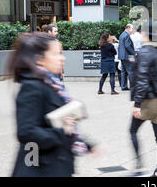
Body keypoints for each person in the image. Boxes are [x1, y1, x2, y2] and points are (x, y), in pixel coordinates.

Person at [9, 32, 97, 177]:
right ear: (40, 59)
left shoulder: (52, 84)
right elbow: (26, 132)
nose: (62, 58)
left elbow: (57, 122)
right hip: (40, 169)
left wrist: (87, 145)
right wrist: (63, 132)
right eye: (56, 54)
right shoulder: (32, 87)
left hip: (53, 165)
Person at [130, 22, 157, 177]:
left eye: (141, 32)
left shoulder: (145, 52)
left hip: (149, 100)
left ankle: (139, 167)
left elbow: (142, 80)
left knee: (132, 130)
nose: (139, 34)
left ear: (145, 33)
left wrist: (137, 104)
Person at [118, 24, 136, 91]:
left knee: (124, 72)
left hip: (122, 56)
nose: (133, 30)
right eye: (132, 28)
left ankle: (123, 86)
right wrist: (134, 53)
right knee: (131, 71)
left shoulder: (122, 35)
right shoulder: (126, 35)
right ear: (128, 28)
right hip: (127, 56)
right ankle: (132, 87)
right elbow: (127, 46)